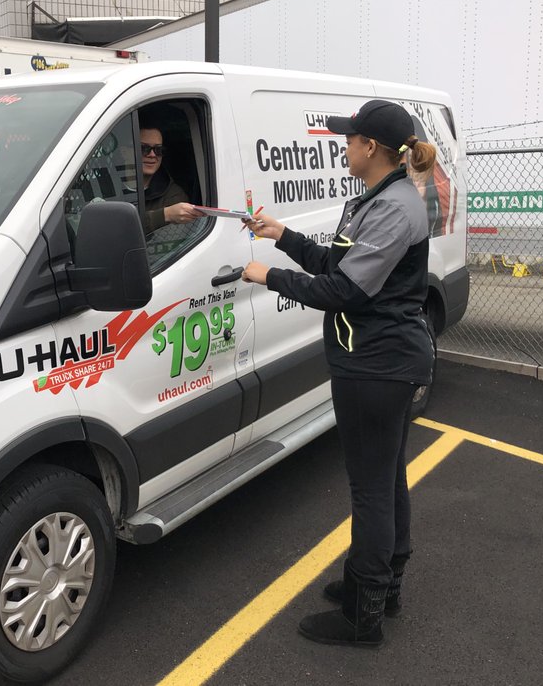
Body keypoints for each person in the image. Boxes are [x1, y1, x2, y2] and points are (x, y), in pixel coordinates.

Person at [241, 99, 437, 648]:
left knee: (371, 489)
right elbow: (338, 264)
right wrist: (282, 235)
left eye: (349, 140)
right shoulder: (379, 198)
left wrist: (268, 276)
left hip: (377, 366)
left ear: (370, 147)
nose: (343, 147)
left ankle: (363, 615)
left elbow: (345, 290)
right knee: (386, 478)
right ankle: (381, 585)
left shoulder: (394, 207)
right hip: (375, 361)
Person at [138, 120, 202, 233]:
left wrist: (165, 215)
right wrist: (165, 215)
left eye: (158, 150)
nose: (152, 155)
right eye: (144, 149)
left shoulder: (174, 197)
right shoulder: (108, 189)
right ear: (124, 151)